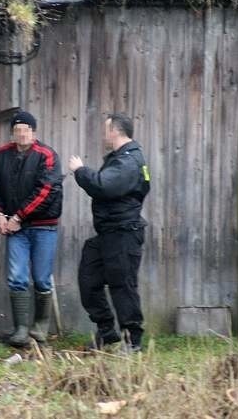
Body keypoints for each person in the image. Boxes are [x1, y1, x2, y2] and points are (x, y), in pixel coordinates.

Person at [68, 113, 150, 352]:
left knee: (123, 286)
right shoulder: (121, 159)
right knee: (88, 279)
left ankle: (133, 341)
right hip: (107, 234)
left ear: (115, 131)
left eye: (106, 130)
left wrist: (80, 171)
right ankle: (107, 332)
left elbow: (104, 185)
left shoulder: (129, 161)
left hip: (123, 233)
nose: (104, 135)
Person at [0, 110, 63, 347]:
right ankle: (20, 329)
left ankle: (40, 327)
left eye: (25, 130)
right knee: (17, 277)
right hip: (13, 227)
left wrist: (19, 216)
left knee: (41, 278)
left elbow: (46, 191)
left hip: (43, 226)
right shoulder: (1, 156)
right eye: (17, 130)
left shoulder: (47, 156)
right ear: (12, 133)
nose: (21, 134)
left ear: (33, 132)